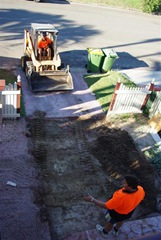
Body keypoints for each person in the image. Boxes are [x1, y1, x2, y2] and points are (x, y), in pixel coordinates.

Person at [83, 174, 145, 238]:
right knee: (121, 221)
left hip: (117, 213)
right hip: (129, 212)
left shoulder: (121, 197)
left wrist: (92, 199)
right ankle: (116, 229)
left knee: (110, 223)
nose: (122, 184)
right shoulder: (140, 189)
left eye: (125, 183)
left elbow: (106, 206)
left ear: (130, 187)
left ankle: (105, 232)